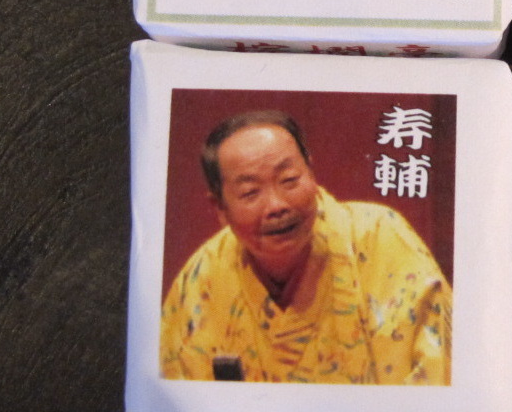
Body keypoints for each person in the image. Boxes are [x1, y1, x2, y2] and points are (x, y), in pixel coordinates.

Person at [160, 110, 451, 384]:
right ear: (219, 208)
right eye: (250, 192)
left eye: (289, 180)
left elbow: (436, 377)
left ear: (311, 172)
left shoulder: (379, 239)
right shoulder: (202, 278)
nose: (277, 205)